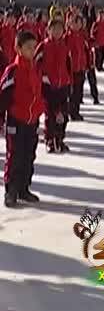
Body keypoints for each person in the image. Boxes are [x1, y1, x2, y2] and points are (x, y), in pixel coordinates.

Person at [1, 31, 43, 208]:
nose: (32, 51)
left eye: (34, 48)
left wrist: (40, 111)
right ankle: (11, 190)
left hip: (31, 120)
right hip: (16, 120)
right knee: (15, 155)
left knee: (28, 155)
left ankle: (24, 188)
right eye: (28, 48)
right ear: (18, 49)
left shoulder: (35, 69)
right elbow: (3, 96)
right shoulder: (13, 71)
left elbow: (39, 94)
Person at [35, 18, 71, 153]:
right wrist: (42, 78)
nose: (57, 32)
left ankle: (59, 138)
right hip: (48, 86)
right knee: (50, 114)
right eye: (54, 29)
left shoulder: (64, 46)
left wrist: (69, 80)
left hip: (63, 84)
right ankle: (50, 139)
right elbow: (36, 63)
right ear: (48, 30)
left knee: (63, 114)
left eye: (60, 29)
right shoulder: (44, 46)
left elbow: (68, 64)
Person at [66, 15, 90, 121]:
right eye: (76, 23)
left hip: (81, 67)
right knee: (73, 92)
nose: (78, 25)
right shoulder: (67, 37)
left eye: (79, 23)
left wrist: (87, 64)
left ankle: (76, 111)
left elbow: (85, 51)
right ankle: (72, 112)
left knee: (79, 92)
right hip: (72, 69)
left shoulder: (81, 36)